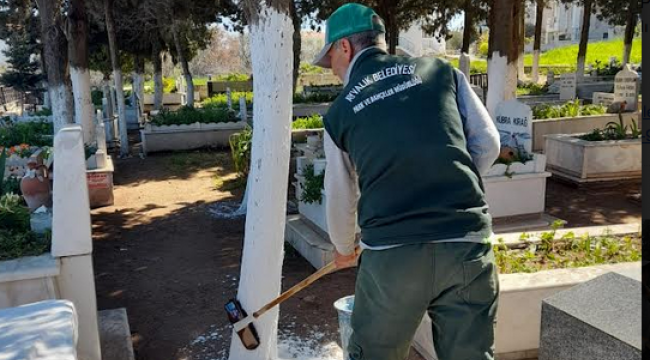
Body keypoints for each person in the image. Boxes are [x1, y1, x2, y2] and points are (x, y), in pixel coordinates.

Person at [312, 3, 501, 360]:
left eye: (331, 61)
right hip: (466, 244)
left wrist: (342, 247)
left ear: (345, 48)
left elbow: (340, 195)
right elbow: (488, 144)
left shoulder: (340, 113)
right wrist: (449, 180)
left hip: (391, 256)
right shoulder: (441, 72)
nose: (334, 72)